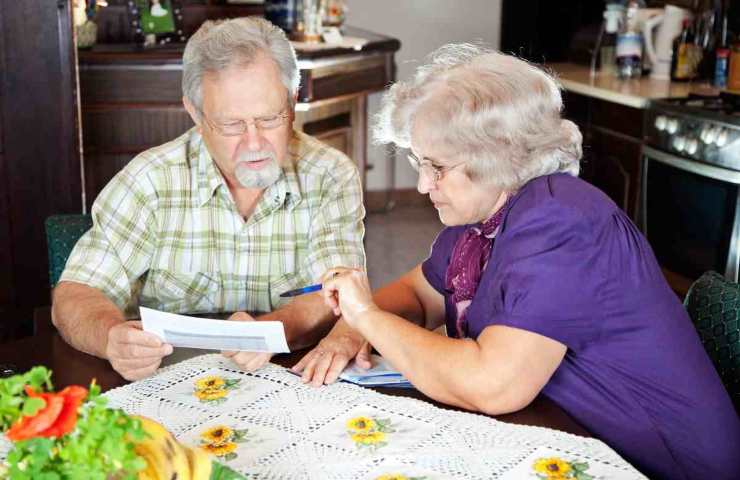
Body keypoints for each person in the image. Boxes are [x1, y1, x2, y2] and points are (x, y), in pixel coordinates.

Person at [294, 44, 740, 479]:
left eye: (436, 167)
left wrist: (368, 318)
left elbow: (494, 385)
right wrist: (348, 330)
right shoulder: (482, 218)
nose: (421, 185)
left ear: (497, 158)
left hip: (659, 461)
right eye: (418, 161)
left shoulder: (562, 220)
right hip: (567, 435)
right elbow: (418, 294)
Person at [52, 17, 365, 381]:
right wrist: (111, 338)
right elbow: (74, 294)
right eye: (231, 125)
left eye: (269, 119)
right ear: (196, 114)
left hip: (286, 378)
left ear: (292, 102)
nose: (254, 144)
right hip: (166, 387)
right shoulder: (151, 179)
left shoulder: (330, 175)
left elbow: (341, 294)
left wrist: (267, 331)